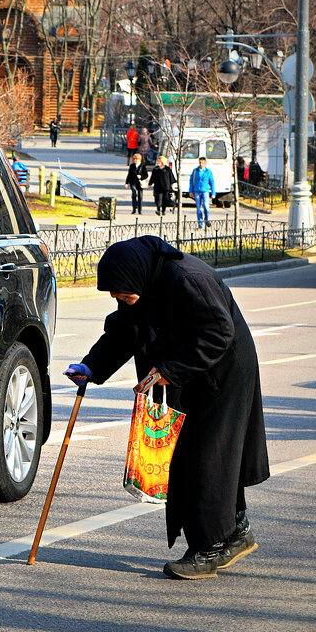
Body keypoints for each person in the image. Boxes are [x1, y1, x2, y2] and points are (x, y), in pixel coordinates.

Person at [62, 236, 269, 580]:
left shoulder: (189, 280)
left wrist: (169, 370)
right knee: (195, 456)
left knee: (207, 459)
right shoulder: (145, 281)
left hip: (222, 376)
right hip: (188, 374)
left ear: (135, 275)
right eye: (112, 293)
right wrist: (92, 367)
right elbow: (124, 331)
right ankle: (236, 531)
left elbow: (218, 332)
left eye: (119, 292)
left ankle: (209, 549)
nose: (116, 298)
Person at [188, 156, 216, 229]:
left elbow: (212, 182)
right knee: (199, 208)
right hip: (197, 191)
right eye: (200, 162)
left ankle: (206, 219)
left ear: (205, 163)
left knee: (206, 206)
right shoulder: (195, 171)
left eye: (202, 163)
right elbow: (191, 181)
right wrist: (191, 191)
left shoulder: (208, 172)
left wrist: (213, 192)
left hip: (205, 191)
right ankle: (200, 223)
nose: (201, 164)